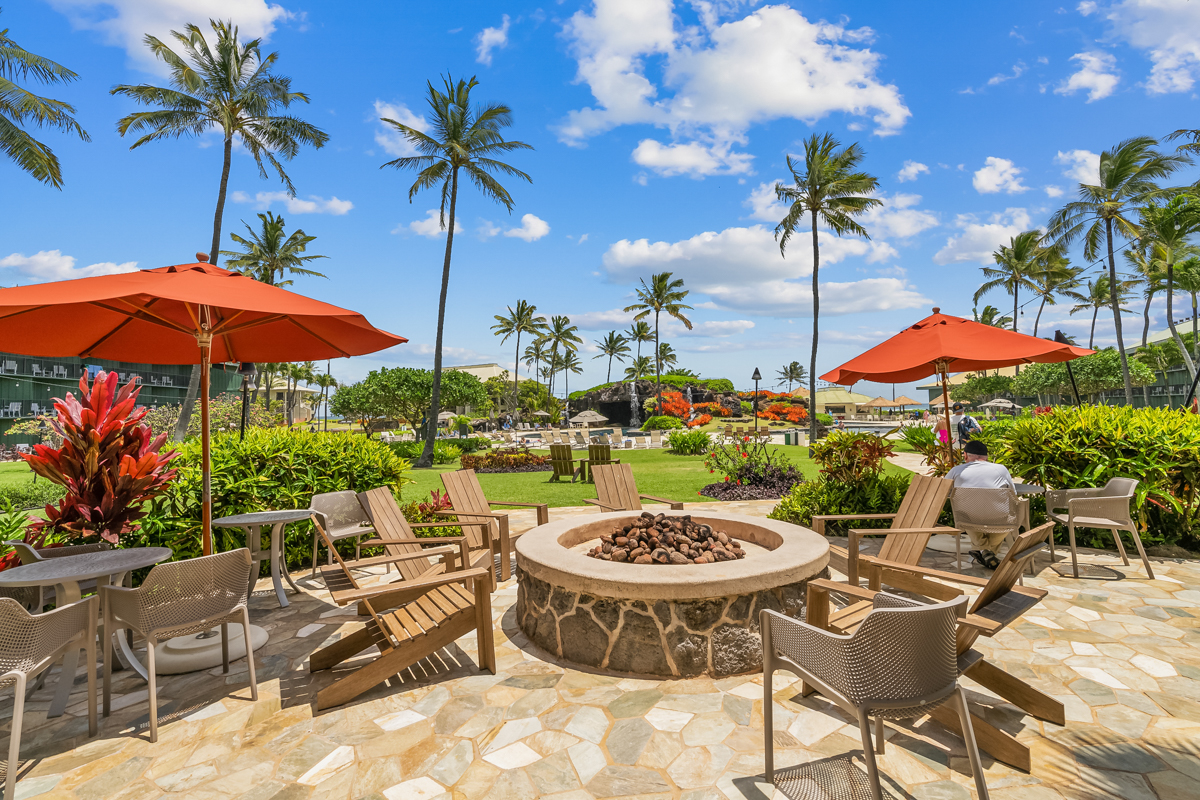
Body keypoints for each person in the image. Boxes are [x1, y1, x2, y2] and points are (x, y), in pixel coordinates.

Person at [947, 440, 1016, 569]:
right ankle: (987, 553)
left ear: (965, 455)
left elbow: (943, 491)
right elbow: (1013, 493)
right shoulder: (1001, 469)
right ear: (987, 457)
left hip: (969, 520)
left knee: (966, 512)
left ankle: (983, 550)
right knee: (1006, 523)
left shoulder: (956, 471)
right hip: (1000, 520)